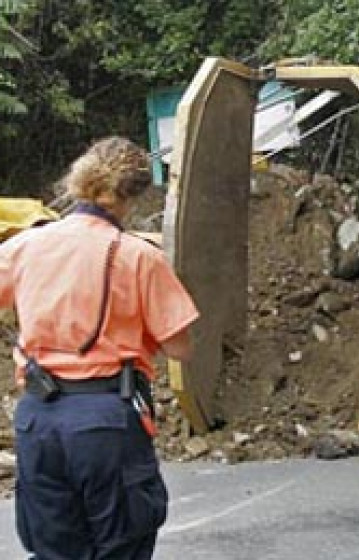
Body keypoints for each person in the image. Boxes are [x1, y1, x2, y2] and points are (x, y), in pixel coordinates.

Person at [0, 136, 200, 558]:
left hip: (38, 420)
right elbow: (181, 347)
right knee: (121, 546)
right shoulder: (138, 256)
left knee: (54, 550)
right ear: (130, 198)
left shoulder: (25, 245)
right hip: (106, 418)